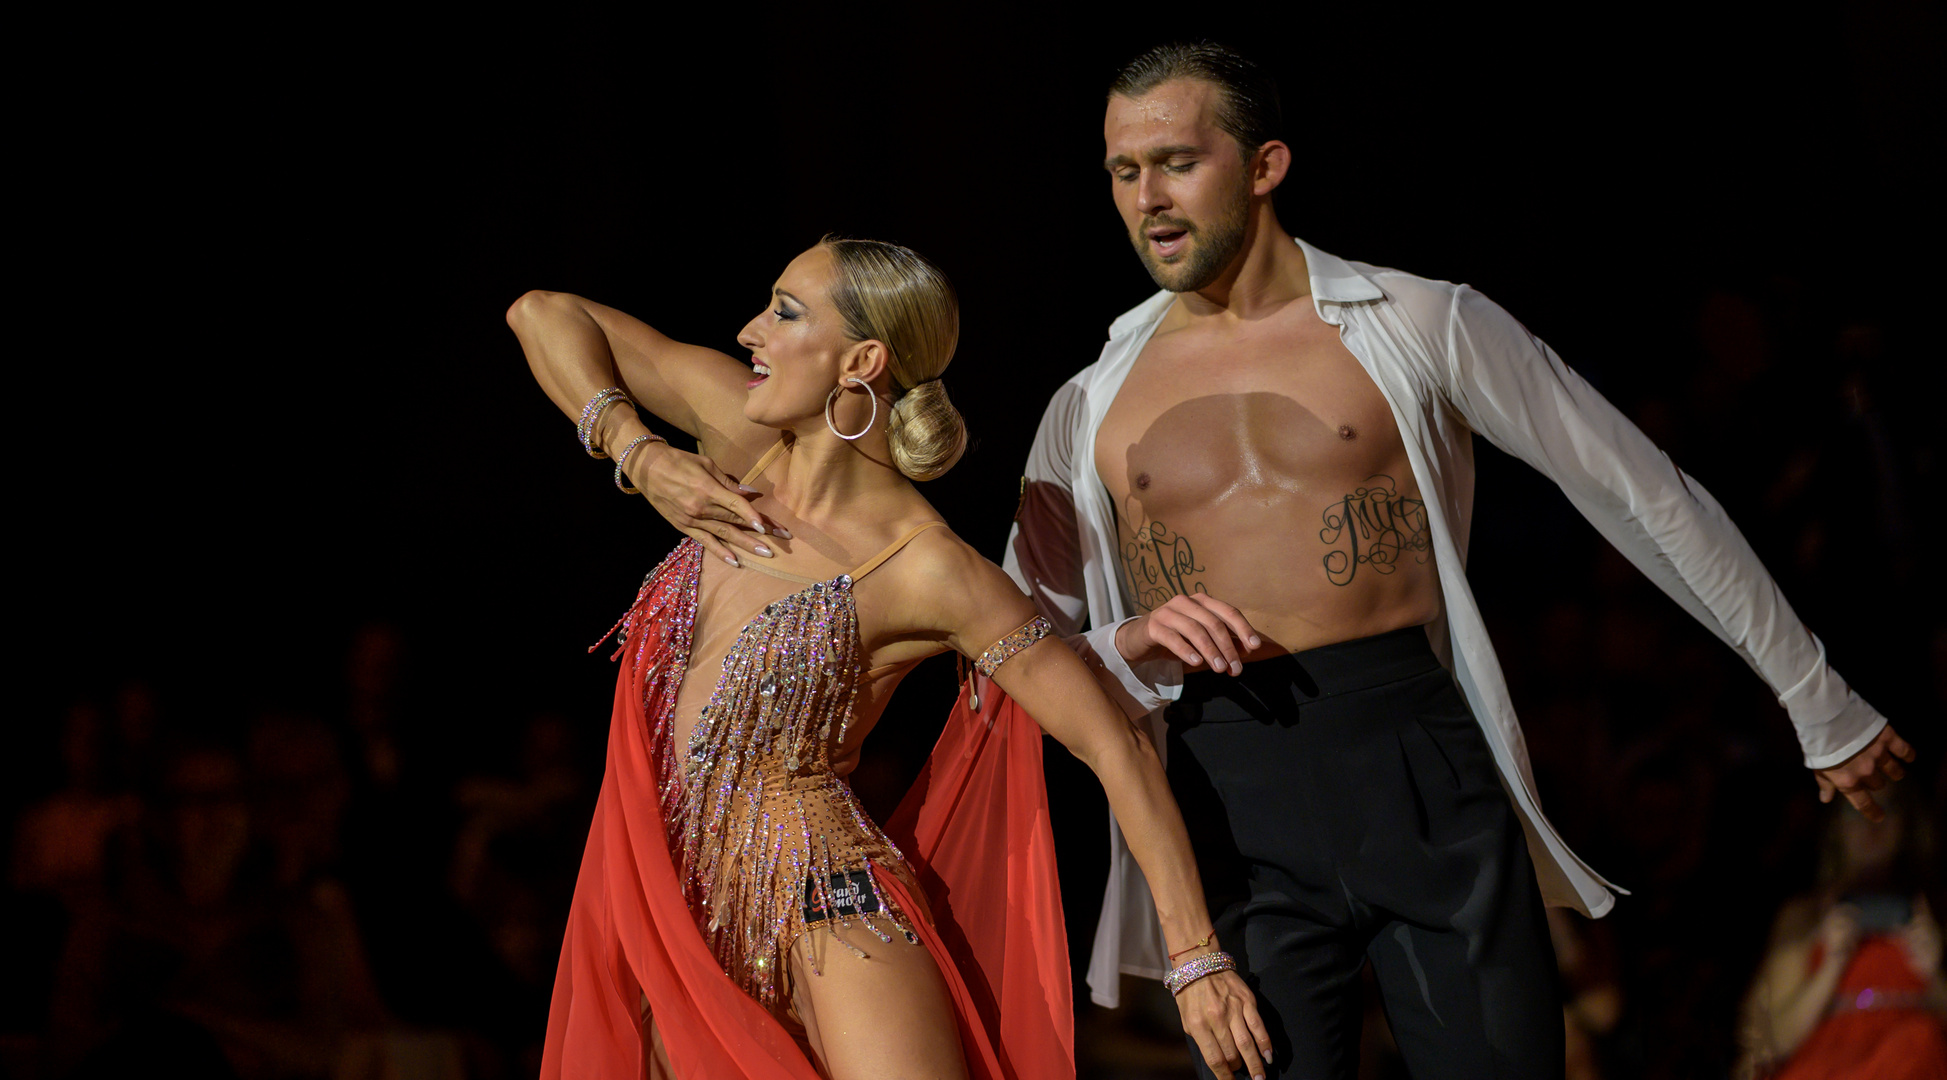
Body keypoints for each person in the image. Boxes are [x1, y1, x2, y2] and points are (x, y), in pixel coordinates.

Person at [986, 41, 1919, 1079]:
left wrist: (1813, 693)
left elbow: (1641, 494)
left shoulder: (1421, 321)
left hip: (1415, 761)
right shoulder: (1089, 402)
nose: (1146, 197)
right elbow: (1012, 643)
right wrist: (1132, 635)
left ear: (1265, 166)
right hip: (1226, 798)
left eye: (1175, 161)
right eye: (1123, 170)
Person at [505, 236, 1270, 1080]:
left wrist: (1196, 962)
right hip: (671, 907)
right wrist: (637, 452)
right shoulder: (733, 439)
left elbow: (1112, 747)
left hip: (822, 904)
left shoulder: (926, 566)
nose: (750, 330)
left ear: (860, 360)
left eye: (785, 312)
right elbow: (541, 313)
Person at [1734, 788, 1946, 1079]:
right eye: (1854, 809)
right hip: (1828, 1063)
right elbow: (1777, 1039)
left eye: (1886, 808)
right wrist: (1832, 964)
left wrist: (1935, 975)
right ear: (1836, 827)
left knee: (1917, 1043)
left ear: (1906, 822)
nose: (1871, 821)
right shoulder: (1805, 915)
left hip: (1916, 1058)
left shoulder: (1934, 909)